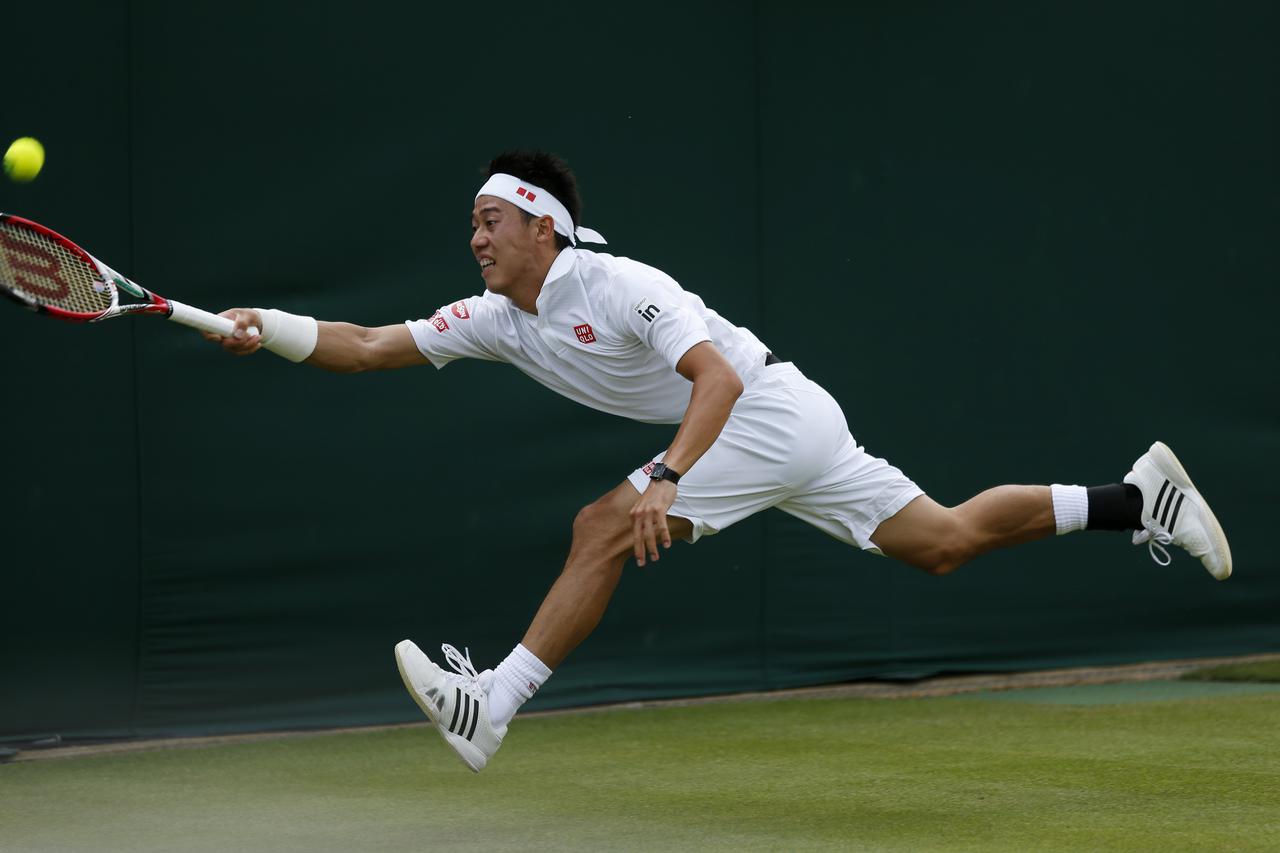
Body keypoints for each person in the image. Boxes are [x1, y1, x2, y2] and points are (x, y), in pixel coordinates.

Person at [207, 150, 1232, 772]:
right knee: (943, 540)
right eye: (471, 223)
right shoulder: (492, 317)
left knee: (600, 524)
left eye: (489, 220)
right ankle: (1134, 496)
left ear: (541, 226)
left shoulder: (613, 284)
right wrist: (274, 327)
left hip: (765, 409)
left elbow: (716, 379)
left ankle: (497, 702)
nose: (473, 237)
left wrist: (663, 478)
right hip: (791, 423)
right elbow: (374, 343)